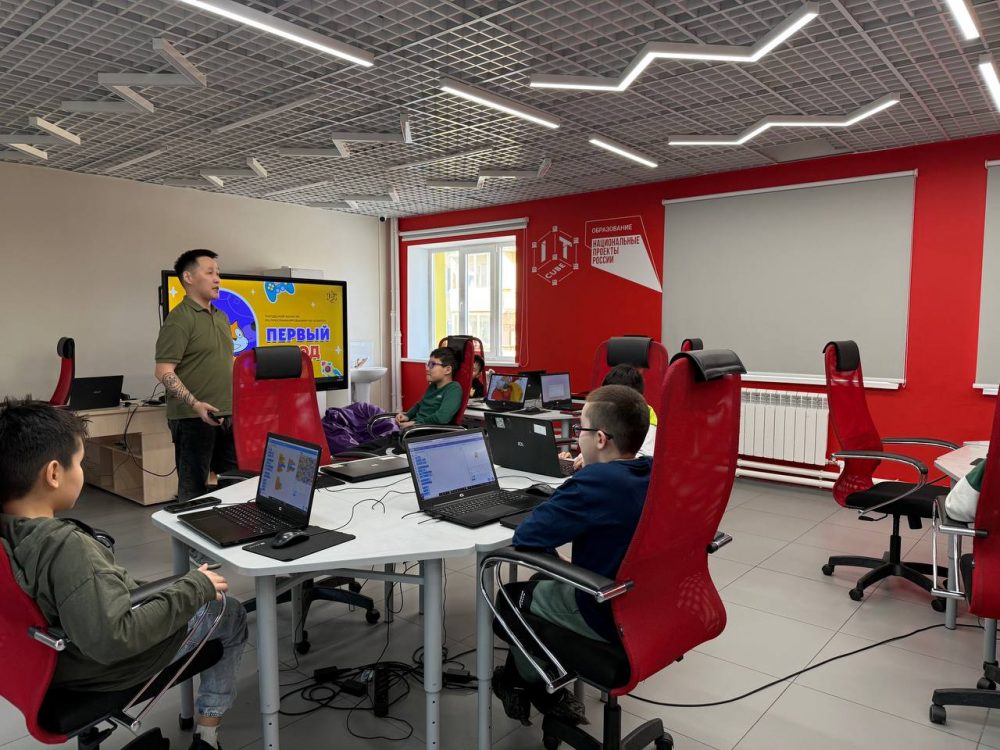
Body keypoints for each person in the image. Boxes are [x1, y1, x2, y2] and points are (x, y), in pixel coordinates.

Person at [0, 400, 247, 750]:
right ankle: (207, 736)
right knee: (229, 611)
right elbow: (113, 639)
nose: (81, 472)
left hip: (49, 661)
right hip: (100, 666)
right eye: (80, 463)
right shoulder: (66, 547)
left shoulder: (11, 533)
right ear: (54, 474)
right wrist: (194, 588)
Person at [492, 385, 652, 726]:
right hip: (648, 602)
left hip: (605, 609)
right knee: (542, 580)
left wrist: (579, 482)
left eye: (581, 428)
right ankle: (532, 682)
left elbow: (528, 535)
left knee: (509, 601)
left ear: (600, 439)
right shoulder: (653, 470)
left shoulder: (598, 482)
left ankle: (525, 683)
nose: (578, 436)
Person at [155, 249, 237, 567]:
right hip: (191, 417)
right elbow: (163, 370)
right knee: (193, 486)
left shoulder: (220, 316)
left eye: (218, 271)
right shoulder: (179, 320)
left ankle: (230, 535)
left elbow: (224, 363)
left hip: (227, 414)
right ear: (188, 278)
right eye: (209, 271)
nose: (217, 278)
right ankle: (194, 548)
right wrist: (193, 402)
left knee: (234, 481)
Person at [560, 364, 657, 470]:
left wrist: (594, 461)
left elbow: (643, 458)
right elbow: (599, 445)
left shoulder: (645, 416)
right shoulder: (606, 412)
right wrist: (574, 460)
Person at [394, 347, 463, 428]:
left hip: (426, 431)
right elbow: (420, 404)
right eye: (428, 364)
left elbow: (442, 418)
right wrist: (407, 416)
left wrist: (415, 423)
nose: (427, 368)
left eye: (432, 364)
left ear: (447, 370)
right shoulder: (433, 386)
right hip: (416, 427)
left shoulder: (453, 389)